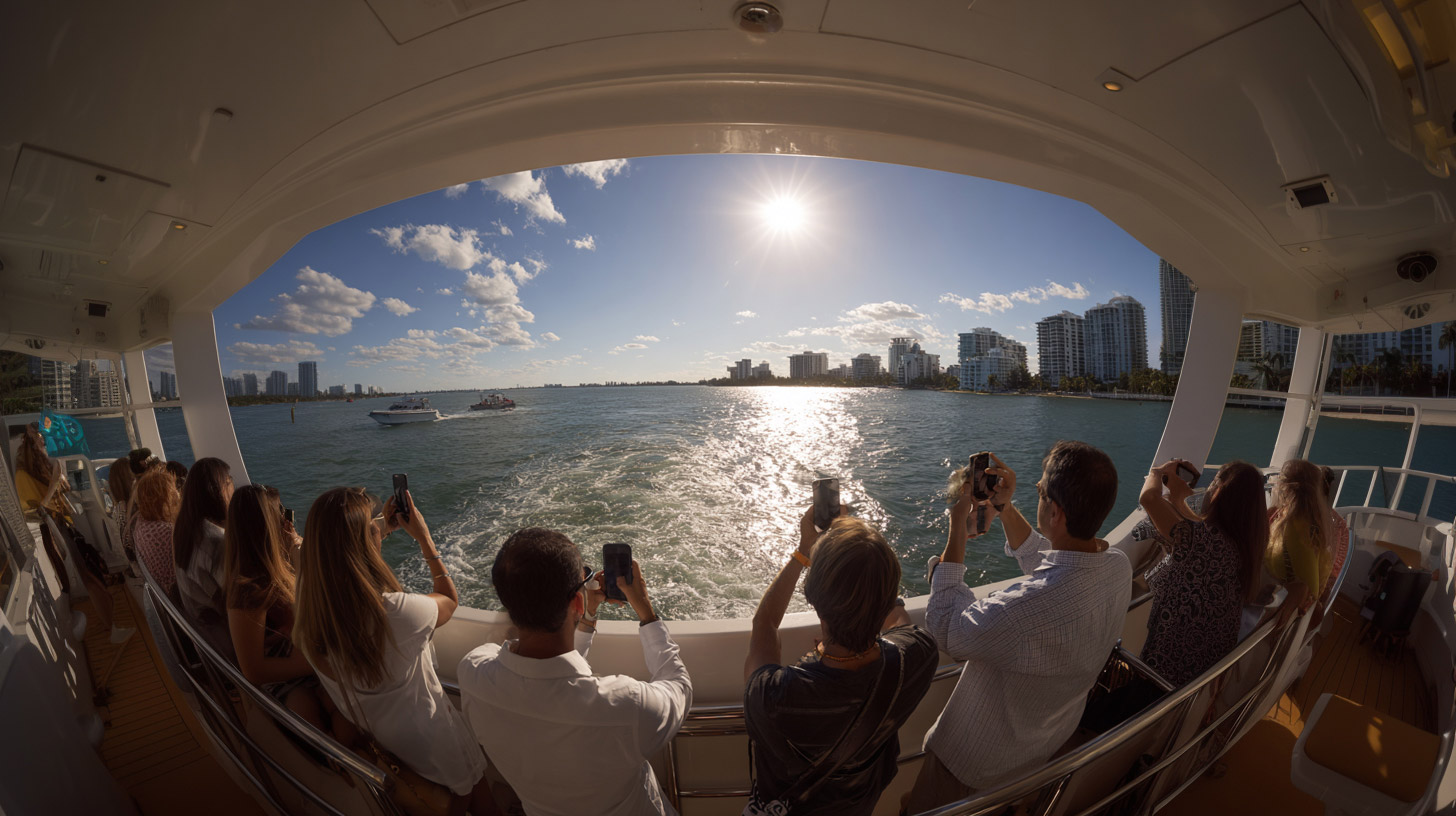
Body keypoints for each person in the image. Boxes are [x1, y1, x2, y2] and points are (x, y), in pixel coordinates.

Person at [905, 443, 1131, 811]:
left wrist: (957, 528)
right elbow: (1052, 560)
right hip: (1037, 753)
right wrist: (1004, 509)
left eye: (1040, 491)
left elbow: (947, 627)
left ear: (1055, 512)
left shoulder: (1020, 613)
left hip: (970, 769)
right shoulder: (1118, 568)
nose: (1037, 494)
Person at [458, 528, 691, 816]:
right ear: (576, 602)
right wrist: (646, 612)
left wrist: (586, 615)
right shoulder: (626, 706)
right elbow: (679, 687)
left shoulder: (473, 673)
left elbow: (542, 672)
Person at [293, 487, 491, 815]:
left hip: (390, 742)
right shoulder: (396, 614)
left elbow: (337, 552)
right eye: (371, 528)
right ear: (363, 545)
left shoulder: (310, 620)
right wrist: (424, 538)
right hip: (437, 741)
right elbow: (449, 600)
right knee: (473, 798)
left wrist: (381, 526)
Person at [742, 508, 937, 815]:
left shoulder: (774, 697)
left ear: (813, 599)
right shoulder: (918, 656)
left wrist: (803, 552)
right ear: (887, 597)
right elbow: (899, 620)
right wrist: (871, 571)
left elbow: (765, 623)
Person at [1137, 459, 1269, 686]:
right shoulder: (1242, 544)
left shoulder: (1198, 541)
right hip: (1202, 676)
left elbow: (1149, 499)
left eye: (1213, 483)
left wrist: (1157, 473)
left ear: (1220, 490)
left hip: (1163, 676)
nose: (1208, 488)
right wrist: (1179, 494)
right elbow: (1193, 522)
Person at [16, 424, 133, 643]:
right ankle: (112, 630)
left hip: (65, 526)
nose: (45, 447)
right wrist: (53, 481)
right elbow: (39, 509)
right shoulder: (23, 477)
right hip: (54, 530)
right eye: (41, 444)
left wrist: (59, 478)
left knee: (92, 573)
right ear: (33, 449)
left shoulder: (40, 469)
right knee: (89, 577)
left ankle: (110, 622)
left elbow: (65, 490)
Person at [224, 484, 326, 727]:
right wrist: (315, 665)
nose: (285, 519)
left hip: (307, 667)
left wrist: (295, 550)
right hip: (289, 683)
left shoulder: (277, 569)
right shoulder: (248, 591)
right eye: (279, 513)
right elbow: (253, 671)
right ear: (266, 526)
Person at [1267, 459, 1334, 620]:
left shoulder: (1294, 526)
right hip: (1281, 603)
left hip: (1275, 609)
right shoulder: (1309, 521)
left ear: (1285, 487)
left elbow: (1311, 589)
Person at [173, 457, 233, 628]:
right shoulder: (216, 541)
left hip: (199, 625)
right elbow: (235, 603)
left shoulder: (185, 527)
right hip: (222, 634)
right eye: (229, 481)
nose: (232, 487)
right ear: (217, 491)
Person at [132, 469, 181, 594]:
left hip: (166, 594)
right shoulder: (167, 533)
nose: (177, 494)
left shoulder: (142, 522)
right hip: (180, 595)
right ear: (163, 498)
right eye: (173, 490)